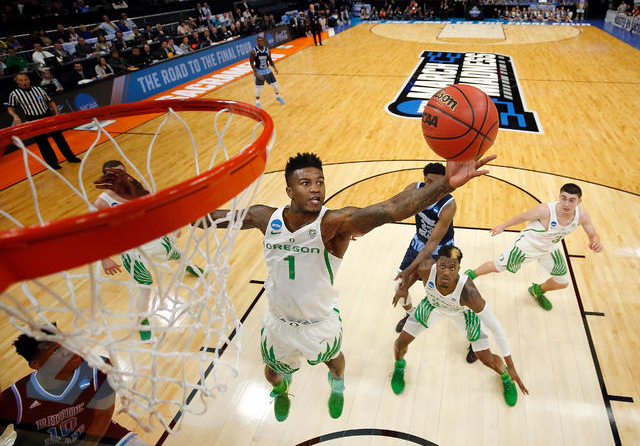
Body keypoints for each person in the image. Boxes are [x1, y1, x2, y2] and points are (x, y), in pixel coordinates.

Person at [192, 151, 495, 422]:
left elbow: (392, 208)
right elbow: (216, 219)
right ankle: (282, 390)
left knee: (335, 363)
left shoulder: (335, 222)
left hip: (320, 322)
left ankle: (337, 385)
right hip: (278, 322)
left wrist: (447, 185)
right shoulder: (264, 216)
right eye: (305, 183)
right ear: (289, 190)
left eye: (320, 182)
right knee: (272, 374)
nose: (315, 188)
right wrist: (170, 209)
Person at [391, 245, 529, 406]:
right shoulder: (426, 268)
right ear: (437, 263)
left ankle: (506, 377)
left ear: (458, 269)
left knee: (486, 358)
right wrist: (404, 288)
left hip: (462, 312)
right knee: (400, 343)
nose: (446, 272)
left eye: (452, 268)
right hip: (433, 305)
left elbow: (496, 328)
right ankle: (400, 366)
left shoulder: (469, 293)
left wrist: (511, 366)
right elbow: (414, 273)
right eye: (442, 266)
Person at [92, 160, 203, 340]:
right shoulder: (101, 203)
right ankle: (143, 322)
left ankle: (189, 266)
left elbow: (157, 210)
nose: (122, 177)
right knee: (145, 285)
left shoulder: (138, 190)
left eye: (123, 172)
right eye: (116, 174)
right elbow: (94, 233)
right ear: (107, 177)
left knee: (177, 254)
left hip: (154, 238)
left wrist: (172, 225)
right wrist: (104, 259)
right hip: (130, 249)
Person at [465, 183, 602, 312]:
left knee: (562, 282)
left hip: (549, 248)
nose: (566, 203)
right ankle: (470, 275)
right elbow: (523, 217)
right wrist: (503, 226)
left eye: (572, 200)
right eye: (563, 198)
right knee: (497, 267)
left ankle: (537, 290)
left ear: (579, 201)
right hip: (527, 246)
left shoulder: (582, 215)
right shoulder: (545, 210)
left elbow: (592, 233)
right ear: (559, 196)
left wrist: (596, 241)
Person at [0, 326, 147, 445]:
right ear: (36, 365)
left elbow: (103, 415)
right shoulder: (16, 397)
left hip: (96, 436)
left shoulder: (99, 368)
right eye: (56, 350)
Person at [392, 163, 456, 333]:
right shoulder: (414, 189)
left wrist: (409, 270)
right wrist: (363, 226)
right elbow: (391, 206)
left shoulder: (448, 204)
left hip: (441, 250)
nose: (431, 188)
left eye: (436, 184)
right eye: (428, 182)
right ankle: (411, 315)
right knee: (399, 286)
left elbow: (432, 243)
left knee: (443, 297)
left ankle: (471, 331)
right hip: (419, 242)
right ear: (424, 179)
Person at [7, 73, 80, 169]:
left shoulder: (38, 89)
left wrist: (57, 113)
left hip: (47, 115)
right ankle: (53, 163)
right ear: (17, 82)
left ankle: (71, 157)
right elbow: (10, 108)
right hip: (32, 119)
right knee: (42, 142)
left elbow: (50, 101)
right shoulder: (14, 94)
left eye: (25, 79)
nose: (24, 82)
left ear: (29, 80)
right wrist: (15, 116)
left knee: (59, 138)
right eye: (21, 80)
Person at [249, 35, 285, 108]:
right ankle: (257, 102)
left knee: (275, 86)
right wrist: (256, 73)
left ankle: (277, 96)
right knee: (258, 88)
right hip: (259, 71)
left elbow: (270, 60)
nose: (260, 42)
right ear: (256, 42)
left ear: (263, 41)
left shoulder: (267, 50)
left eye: (261, 41)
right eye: (259, 41)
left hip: (267, 70)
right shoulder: (253, 51)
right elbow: (251, 63)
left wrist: (274, 68)